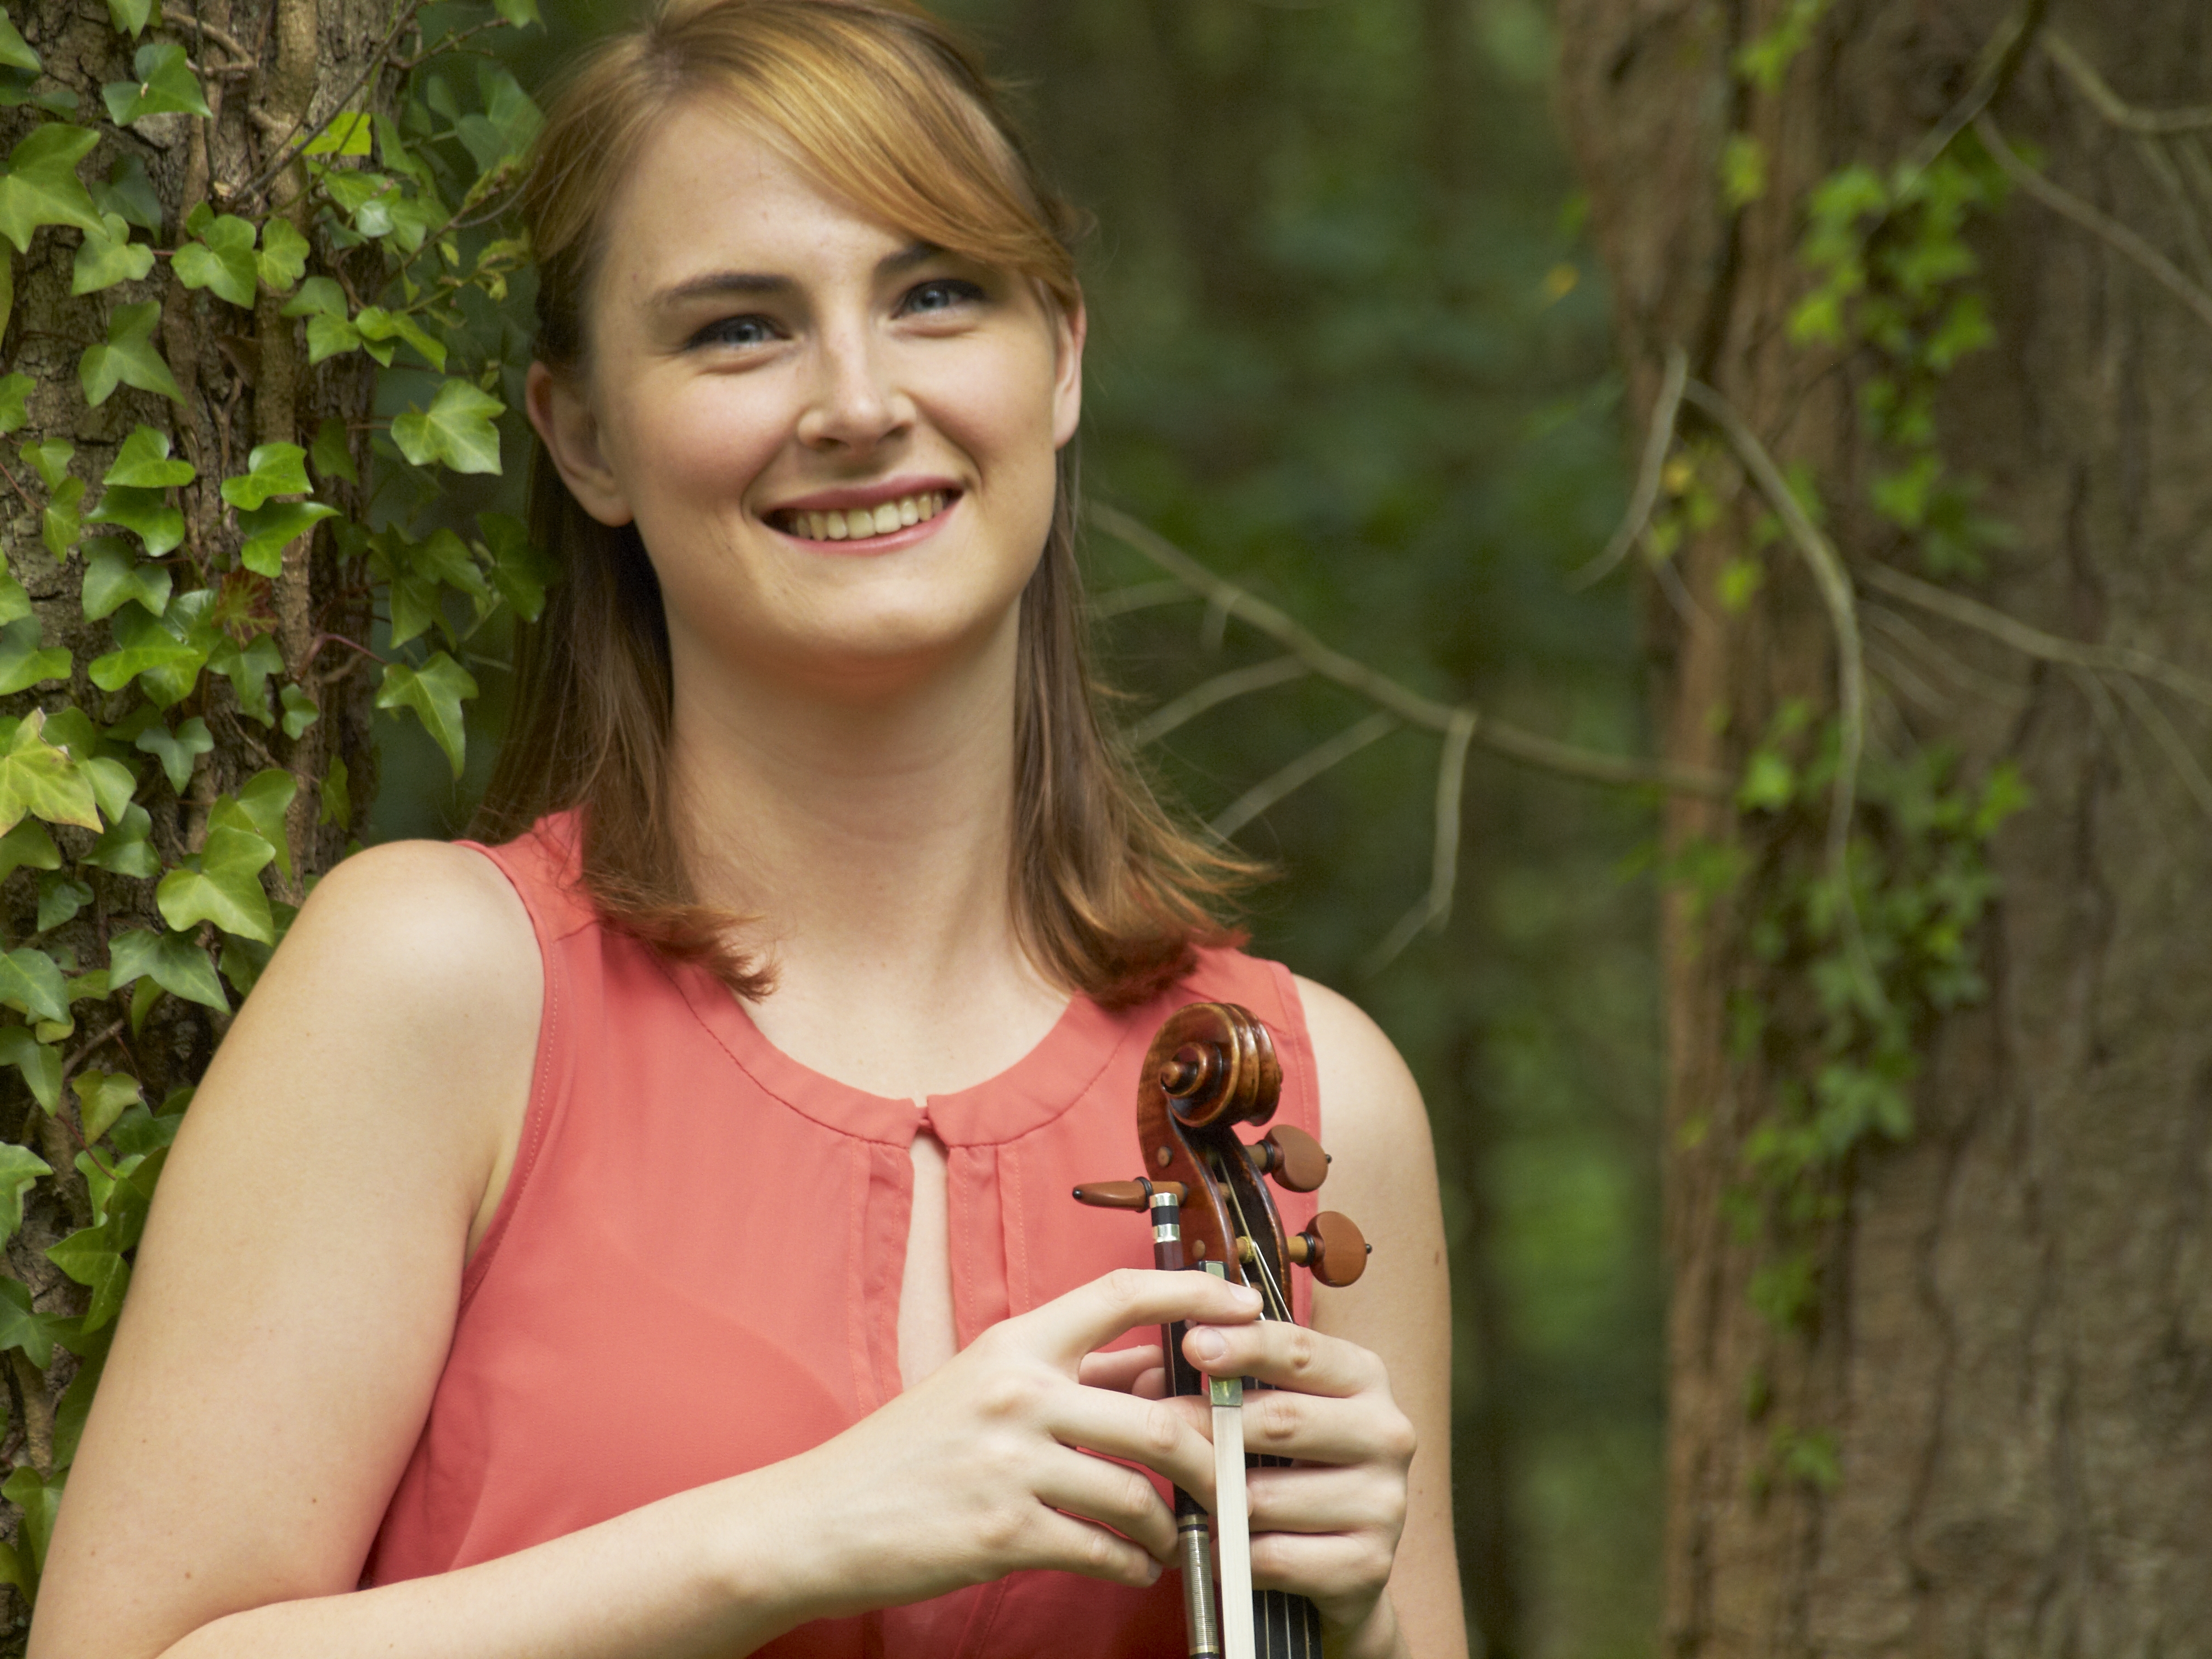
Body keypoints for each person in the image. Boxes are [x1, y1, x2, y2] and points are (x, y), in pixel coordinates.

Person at [29, 2, 1463, 1654]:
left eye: (935, 296)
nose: (858, 402)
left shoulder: (1316, 1083)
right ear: (583, 437)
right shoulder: (439, 986)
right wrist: (792, 1530)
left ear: (1060, 355)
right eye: (736, 331)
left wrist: (1361, 1623)